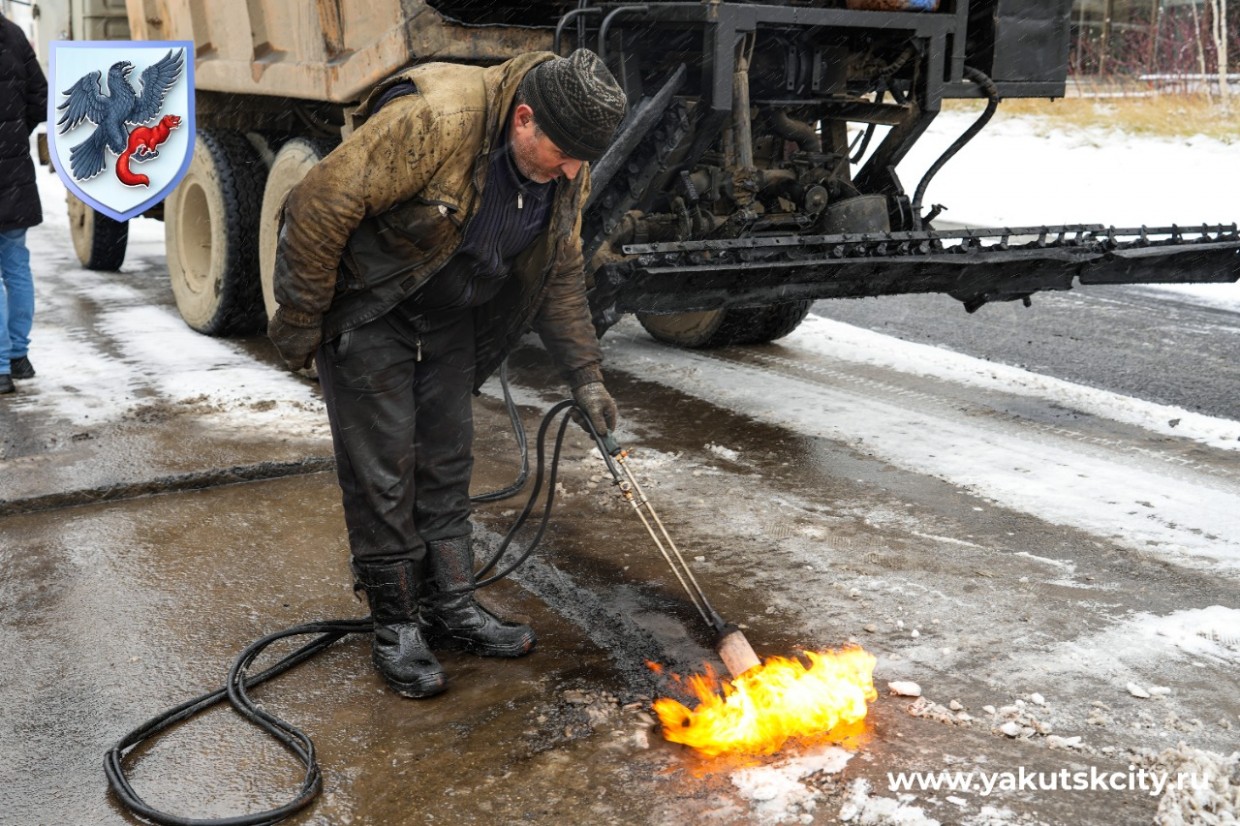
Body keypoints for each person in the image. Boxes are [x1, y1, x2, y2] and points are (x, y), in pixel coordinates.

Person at [269, 49, 627, 699]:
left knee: (447, 461)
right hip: (374, 303)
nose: (573, 172)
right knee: (384, 471)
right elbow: (317, 204)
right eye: (565, 156)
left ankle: (452, 606)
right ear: (524, 120)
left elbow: (559, 272)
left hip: (450, 312)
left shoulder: (566, 167)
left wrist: (587, 377)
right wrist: (301, 322)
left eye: (582, 161)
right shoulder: (437, 118)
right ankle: (396, 626)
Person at [0, 13, 48, 397]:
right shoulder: (14, 35)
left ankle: (0, 367)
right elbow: (40, 99)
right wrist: (13, 135)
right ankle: (18, 355)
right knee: (16, 266)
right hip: (13, 173)